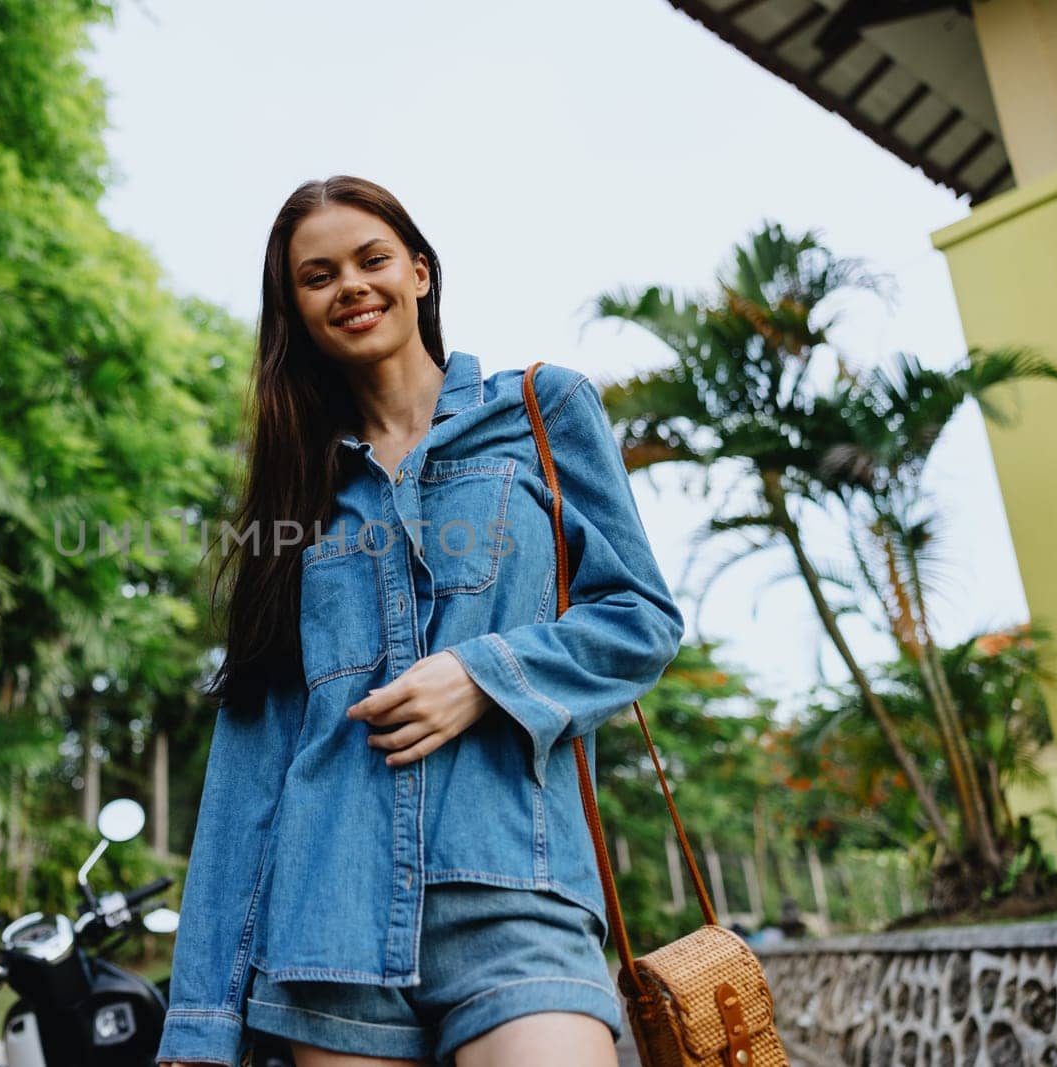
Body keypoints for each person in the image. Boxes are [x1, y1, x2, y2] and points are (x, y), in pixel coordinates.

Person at [156, 175, 684, 1067]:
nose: (351, 286)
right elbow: (254, 757)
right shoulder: (296, 489)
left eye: (372, 259)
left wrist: (484, 674)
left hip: (516, 894)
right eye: (318, 276)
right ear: (295, 308)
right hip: (326, 927)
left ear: (421, 273)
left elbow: (640, 616)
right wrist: (200, 1025)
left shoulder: (541, 414)